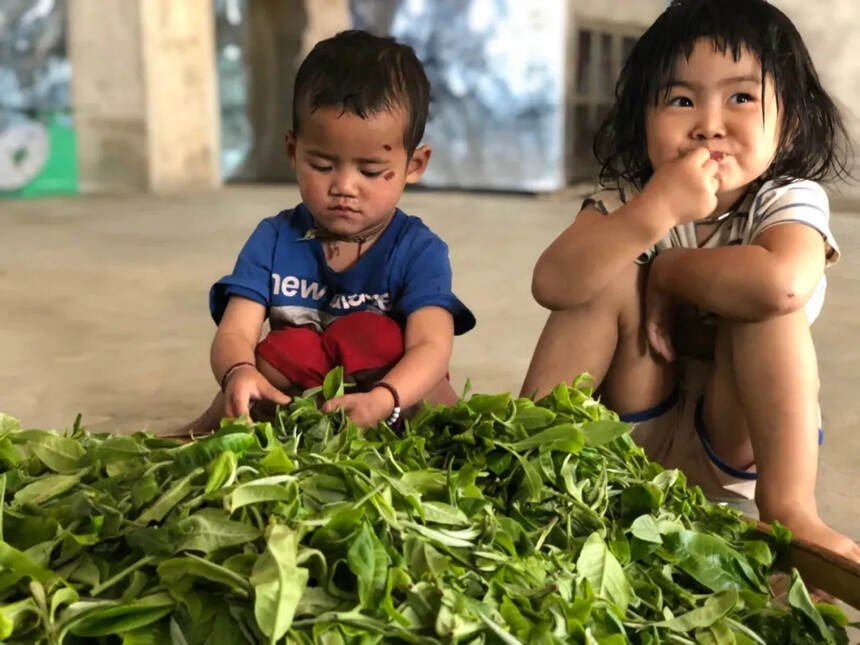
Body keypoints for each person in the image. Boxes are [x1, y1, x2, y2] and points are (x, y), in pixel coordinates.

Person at [521, 0, 859, 560]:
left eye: (741, 97)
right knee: (599, 269)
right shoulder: (631, 202)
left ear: (790, 122)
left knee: (762, 301)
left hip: (728, 440)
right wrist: (650, 219)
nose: (708, 124)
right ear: (642, 120)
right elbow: (552, 284)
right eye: (681, 100)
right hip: (631, 431)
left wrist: (670, 271)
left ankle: (790, 512)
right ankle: (528, 456)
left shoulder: (786, 202)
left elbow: (784, 284)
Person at [184, 30, 474, 433]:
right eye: (322, 166)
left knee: (375, 338)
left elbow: (432, 346)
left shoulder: (417, 250)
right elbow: (235, 330)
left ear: (415, 164)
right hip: (304, 407)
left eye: (370, 171)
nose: (344, 187)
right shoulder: (274, 239)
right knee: (285, 348)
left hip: (394, 402)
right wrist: (237, 372)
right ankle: (213, 427)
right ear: (292, 152)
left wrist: (385, 399)